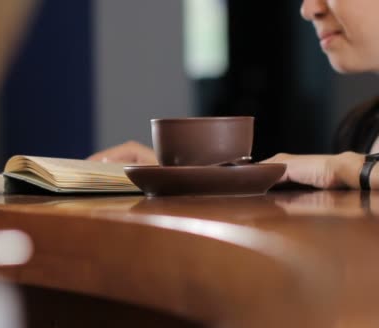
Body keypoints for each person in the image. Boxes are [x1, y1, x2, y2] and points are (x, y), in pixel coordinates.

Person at [88, 0, 379, 190]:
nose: (308, 9)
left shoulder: (347, 159)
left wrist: (338, 167)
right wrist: (188, 179)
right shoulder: (360, 128)